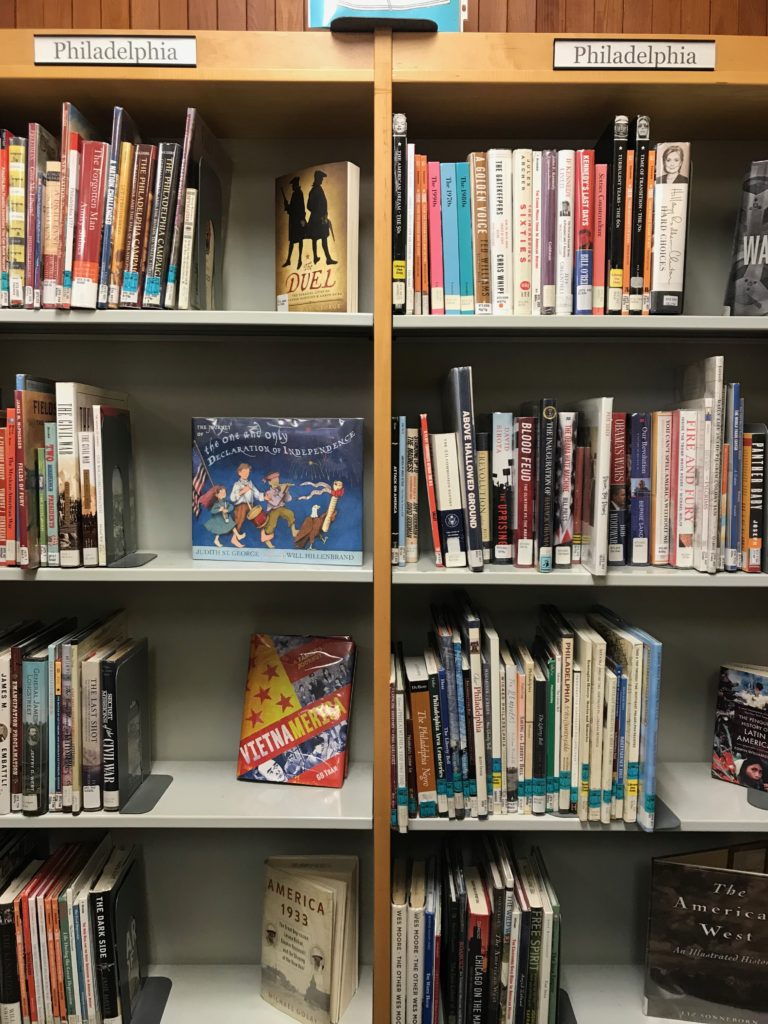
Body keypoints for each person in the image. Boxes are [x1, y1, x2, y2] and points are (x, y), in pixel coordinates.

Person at [306, 170, 337, 266]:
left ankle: (327, 258)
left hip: (321, 218)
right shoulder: (314, 190)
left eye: (322, 179)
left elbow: (323, 204)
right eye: (321, 178)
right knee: (316, 238)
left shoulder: (318, 189)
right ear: (317, 179)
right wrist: (318, 213)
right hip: (316, 219)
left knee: (322, 238)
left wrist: (324, 215)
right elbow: (309, 206)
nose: (322, 180)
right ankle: (317, 257)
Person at [260, 471, 299, 547]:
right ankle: (267, 540)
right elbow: (275, 503)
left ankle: (294, 531)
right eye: (274, 482)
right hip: (273, 510)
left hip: (281, 508)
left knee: (290, 513)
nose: (277, 483)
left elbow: (288, 499)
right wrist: (282, 492)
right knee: (271, 525)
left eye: (277, 481)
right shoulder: (268, 493)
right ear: (270, 483)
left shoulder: (279, 490)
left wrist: (286, 491)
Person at [230, 463, 265, 542]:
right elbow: (232, 498)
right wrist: (242, 491)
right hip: (241, 506)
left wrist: (264, 496)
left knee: (259, 515)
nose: (246, 474)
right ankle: (234, 538)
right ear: (239, 473)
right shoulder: (237, 484)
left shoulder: (250, 483)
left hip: (250, 505)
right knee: (240, 520)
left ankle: (263, 535)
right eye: (244, 472)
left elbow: (256, 494)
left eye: (248, 472)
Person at [281, 176, 306, 269]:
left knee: (299, 240)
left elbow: (301, 207)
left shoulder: (299, 193)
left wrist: (302, 219)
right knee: (292, 241)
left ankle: (299, 259)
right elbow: (291, 209)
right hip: (294, 220)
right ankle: (289, 260)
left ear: (296, 185)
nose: (292, 187)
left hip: (298, 221)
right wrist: (287, 205)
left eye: (293, 185)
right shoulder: (295, 194)